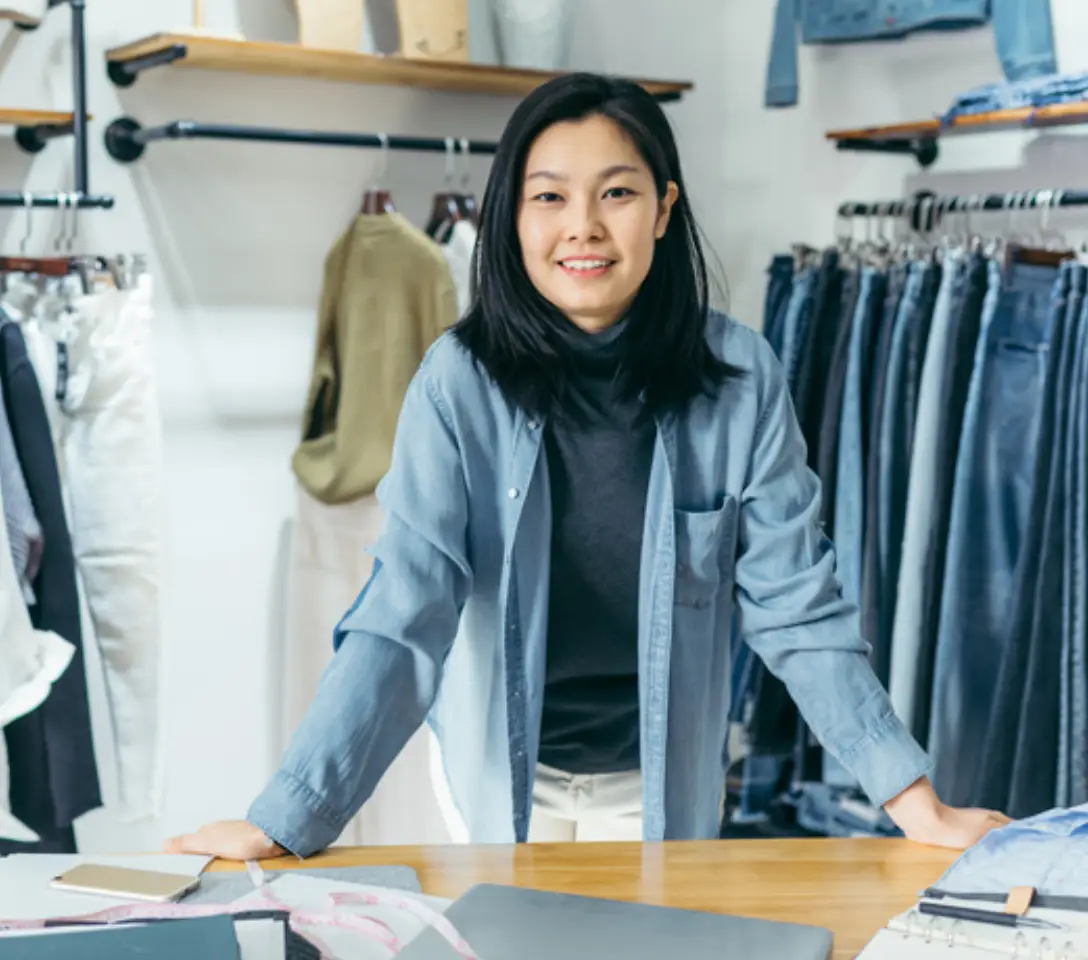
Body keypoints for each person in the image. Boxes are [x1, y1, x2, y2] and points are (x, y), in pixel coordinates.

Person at [168, 73, 1010, 861]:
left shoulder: (743, 377)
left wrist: (916, 804)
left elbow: (797, 608)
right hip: (498, 775)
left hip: (662, 782)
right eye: (549, 197)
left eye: (616, 192)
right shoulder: (456, 382)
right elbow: (404, 609)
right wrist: (287, 819)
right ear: (513, 217)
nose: (583, 226)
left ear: (663, 208)